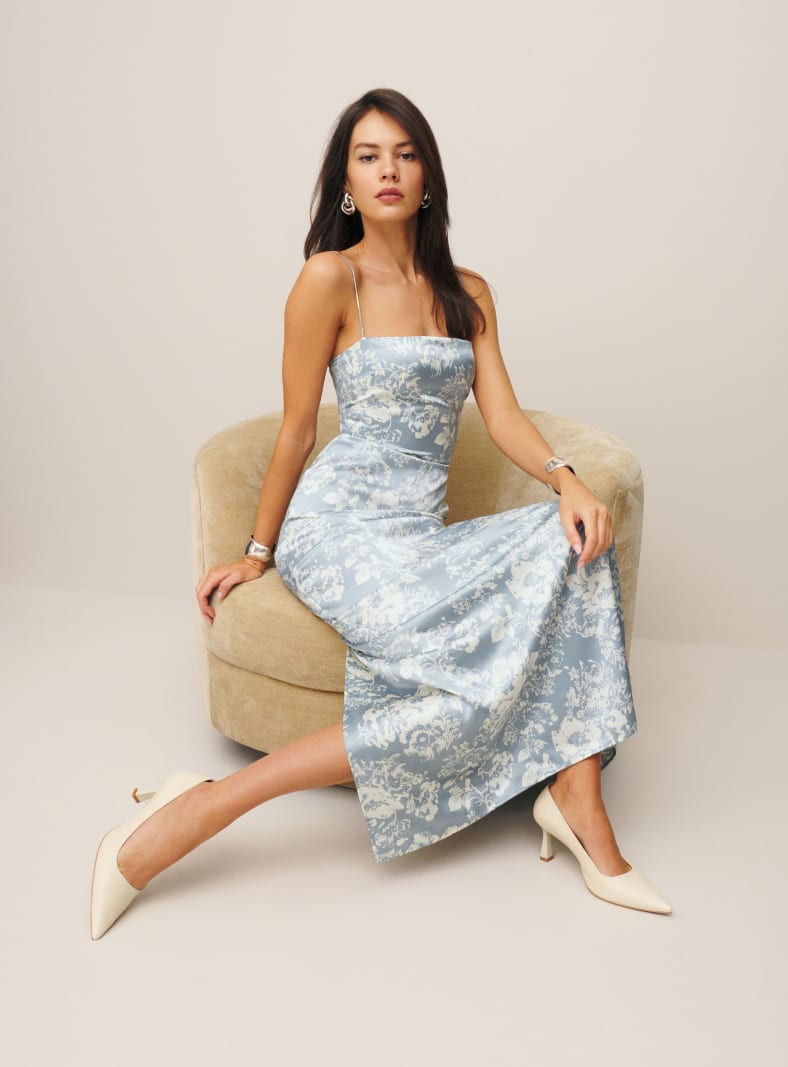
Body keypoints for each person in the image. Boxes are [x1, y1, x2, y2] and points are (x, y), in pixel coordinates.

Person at [90, 88, 671, 939]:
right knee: (464, 670)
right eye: (368, 156)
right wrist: (257, 552)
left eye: (404, 153)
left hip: (415, 536)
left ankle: (576, 792)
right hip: (336, 529)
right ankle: (201, 809)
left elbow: (503, 414)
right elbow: (297, 430)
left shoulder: (468, 292)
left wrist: (566, 479)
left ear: (428, 176)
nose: (388, 170)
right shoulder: (330, 278)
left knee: (574, 543)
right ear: (346, 183)